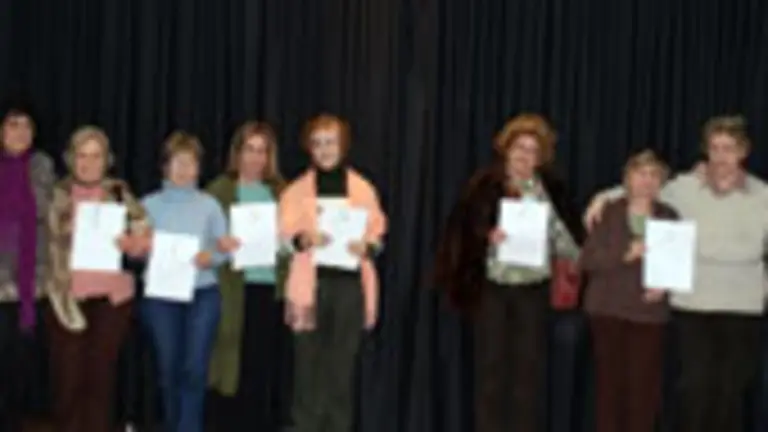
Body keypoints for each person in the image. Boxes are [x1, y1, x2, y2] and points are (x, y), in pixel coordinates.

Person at [583, 116, 768, 432]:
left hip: (744, 306)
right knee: (693, 391)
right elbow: (642, 187)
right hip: (692, 304)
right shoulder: (684, 188)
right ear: (706, 151)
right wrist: (602, 197)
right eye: (714, 148)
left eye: (729, 149)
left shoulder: (763, 195)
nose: (721, 157)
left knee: (730, 393)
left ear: (743, 152)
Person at [433, 113, 582, 432]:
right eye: (519, 148)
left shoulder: (552, 190)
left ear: (541, 157)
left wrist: (552, 231)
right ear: (506, 150)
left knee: (528, 373)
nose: (525, 157)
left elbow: (571, 246)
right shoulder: (484, 185)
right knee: (490, 370)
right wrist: (486, 235)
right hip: (493, 289)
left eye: (532, 150)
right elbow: (458, 233)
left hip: (533, 288)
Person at [279, 114, 387, 432]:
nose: (324, 149)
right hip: (308, 289)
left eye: (331, 142)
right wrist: (302, 240)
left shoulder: (363, 190)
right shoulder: (296, 191)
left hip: (348, 289)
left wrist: (366, 247)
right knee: (307, 372)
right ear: (309, 149)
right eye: (318, 143)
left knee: (341, 373)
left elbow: (378, 238)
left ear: (343, 146)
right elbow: (282, 241)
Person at [46, 125, 149, 432]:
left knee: (100, 380)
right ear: (70, 158)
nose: (88, 163)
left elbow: (143, 240)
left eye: (96, 155)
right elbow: (44, 241)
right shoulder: (57, 194)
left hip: (112, 299)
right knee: (68, 381)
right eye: (82, 155)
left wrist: (133, 244)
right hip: (66, 297)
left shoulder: (119, 192)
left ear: (107, 160)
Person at [580, 150, 677, 432]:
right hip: (608, 312)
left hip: (649, 315)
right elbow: (587, 261)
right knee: (610, 389)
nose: (647, 181)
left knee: (645, 392)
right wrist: (624, 254)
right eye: (640, 174)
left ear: (661, 183)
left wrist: (666, 286)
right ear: (627, 179)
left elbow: (677, 264)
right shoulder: (607, 213)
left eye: (654, 175)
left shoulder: (670, 217)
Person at [139, 131, 227, 432]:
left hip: (202, 294)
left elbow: (223, 250)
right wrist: (142, 247)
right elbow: (135, 252)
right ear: (165, 166)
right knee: (169, 369)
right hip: (161, 297)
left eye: (190, 163)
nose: (184, 169)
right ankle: (172, 424)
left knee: (195, 368)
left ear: (199, 168)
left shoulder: (210, 205)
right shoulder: (146, 205)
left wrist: (211, 256)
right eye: (178, 162)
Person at [208, 121, 290, 431]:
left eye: (262, 151)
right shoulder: (220, 190)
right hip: (232, 289)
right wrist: (220, 243)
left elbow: (294, 245)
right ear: (237, 153)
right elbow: (204, 239)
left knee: (261, 369)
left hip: (270, 290)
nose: (256, 158)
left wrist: (286, 243)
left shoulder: (282, 192)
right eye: (249, 150)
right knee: (229, 367)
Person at [0, 105, 55, 431]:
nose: (19, 132)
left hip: (28, 285)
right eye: (12, 124)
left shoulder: (42, 165)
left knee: (19, 369)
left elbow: (40, 207)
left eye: (26, 126)